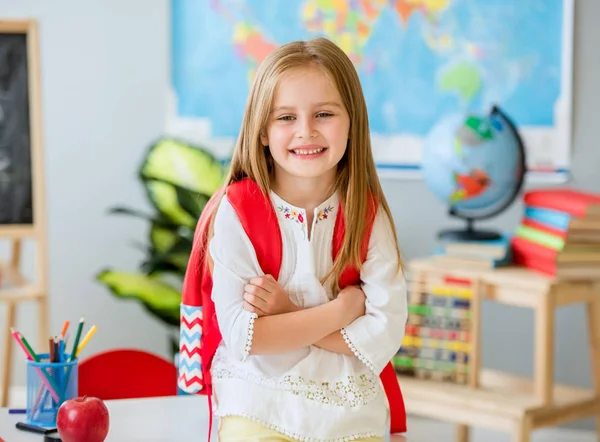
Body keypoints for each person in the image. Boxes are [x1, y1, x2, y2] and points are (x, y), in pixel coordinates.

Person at [180, 37, 408, 442]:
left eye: (324, 113)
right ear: (262, 131)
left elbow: (386, 333)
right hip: (257, 396)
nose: (306, 132)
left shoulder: (367, 213)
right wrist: (341, 311)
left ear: (352, 121)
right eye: (285, 117)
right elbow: (244, 338)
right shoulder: (237, 211)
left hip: (349, 398)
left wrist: (285, 313)